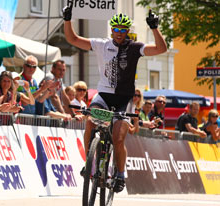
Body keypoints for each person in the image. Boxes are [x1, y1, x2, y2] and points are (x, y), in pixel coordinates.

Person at [63, 5, 167, 193]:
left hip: (124, 98)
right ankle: (90, 163)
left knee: (119, 137)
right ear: (112, 29)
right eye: (116, 29)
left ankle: (120, 174)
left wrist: (154, 27)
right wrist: (67, 19)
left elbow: (161, 48)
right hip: (103, 95)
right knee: (90, 122)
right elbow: (72, 39)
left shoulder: (135, 47)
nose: (119, 33)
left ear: (127, 31)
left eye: (123, 30)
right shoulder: (101, 44)